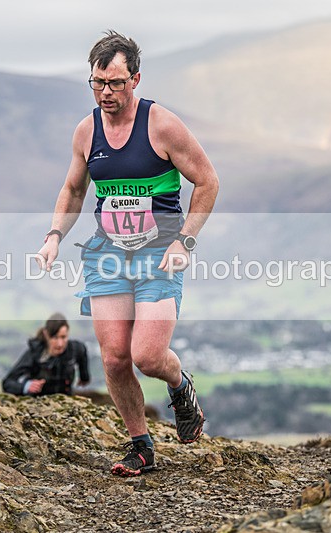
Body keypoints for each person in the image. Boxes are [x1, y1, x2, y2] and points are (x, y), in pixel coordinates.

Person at [35, 30, 219, 476]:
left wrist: (185, 240)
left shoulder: (162, 125)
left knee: (148, 356)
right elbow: (74, 189)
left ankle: (179, 384)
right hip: (108, 255)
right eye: (97, 83)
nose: (105, 93)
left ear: (135, 79)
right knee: (115, 357)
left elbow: (208, 181)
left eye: (115, 83)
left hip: (159, 253)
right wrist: (54, 235)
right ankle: (141, 446)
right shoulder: (87, 131)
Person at [2, 313, 90, 396]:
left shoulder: (75, 349)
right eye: (55, 337)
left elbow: (83, 352)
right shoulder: (35, 353)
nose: (60, 344)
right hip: (38, 401)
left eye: (63, 337)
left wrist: (84, 376)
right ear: (46, 334)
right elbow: (7, 383)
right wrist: (25, 387)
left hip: (65, 398)